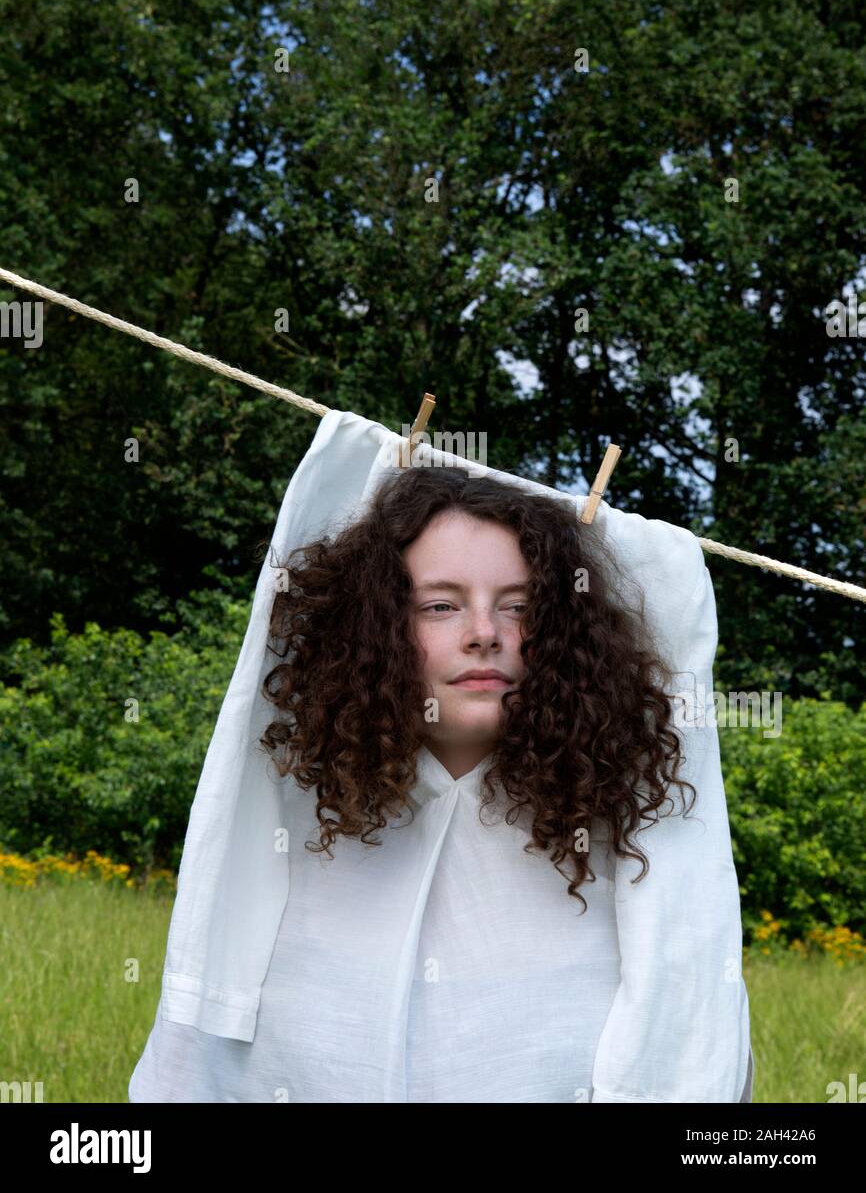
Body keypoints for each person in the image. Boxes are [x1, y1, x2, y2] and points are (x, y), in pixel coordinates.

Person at [128, 411, 753, 1103]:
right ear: (377, 628)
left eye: (518, 607)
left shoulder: (625, 871)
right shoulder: (292, 844)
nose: (485, 634)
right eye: (441, 607)